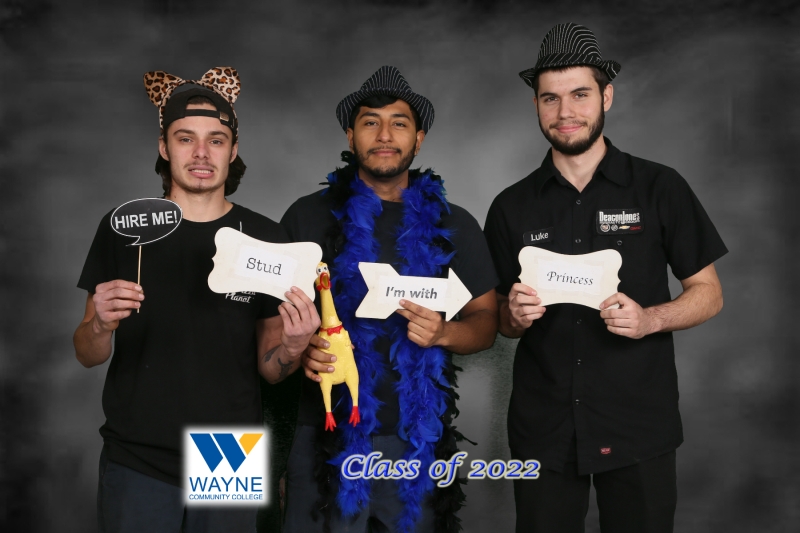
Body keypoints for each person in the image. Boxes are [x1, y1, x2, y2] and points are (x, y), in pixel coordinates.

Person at [483, 23, 728, 533]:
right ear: (536, 104)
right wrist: (513, 316)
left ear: (606, 97)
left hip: (638, 424)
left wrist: (650, 319)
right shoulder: (510, 206)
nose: (565, 112)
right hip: (544, 430)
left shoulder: (660, 187)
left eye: (580, 94)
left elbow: (709, 294)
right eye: (550, 98)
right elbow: (499, 319)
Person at [73, 67, 320, 533]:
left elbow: (273, 368)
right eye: (186, 139)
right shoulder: (123, 228)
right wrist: (100, 326)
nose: (202, 153)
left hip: (229, 451)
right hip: (137, 450)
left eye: (216, 140)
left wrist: (293, 345)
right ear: (164, 147)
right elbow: (87, 353)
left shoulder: (266, 238)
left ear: (233, 150)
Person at [280, 66, 499, 533]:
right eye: (370, 122)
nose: (384, 135)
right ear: (350, 136)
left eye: (399, 123)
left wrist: (445, 332)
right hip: (325, 433)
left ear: (418, 139)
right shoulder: (306, 217)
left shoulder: (454, 224)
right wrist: (300, 349)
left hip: (415, 437)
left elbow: (486, 321)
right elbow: (270, 326)